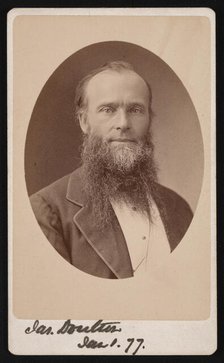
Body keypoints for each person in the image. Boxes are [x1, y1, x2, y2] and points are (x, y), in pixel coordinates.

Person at [30, 61, 193, 279]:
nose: (123, 123)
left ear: (149, 120)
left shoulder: (179, 208)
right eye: (108, 109)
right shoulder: (47, 211)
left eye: (136, 110)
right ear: (84, 122)